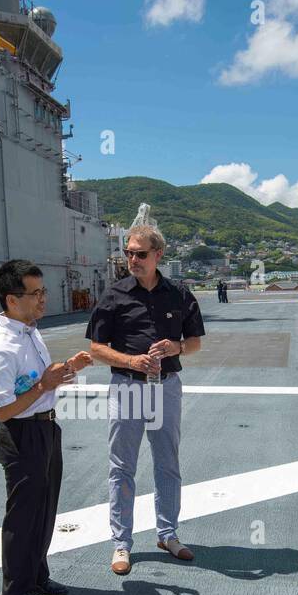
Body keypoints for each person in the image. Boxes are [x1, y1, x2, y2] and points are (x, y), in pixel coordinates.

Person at [86, 204, 205, 575]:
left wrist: (176, 348)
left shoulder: (179, 294)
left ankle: (168, 534)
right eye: (128, 253)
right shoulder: (114, 295)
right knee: (122, 467)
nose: (132, 259)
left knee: (168, 463)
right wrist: (130, 361)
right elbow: (95, 348)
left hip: (166, 387)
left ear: (159, 255)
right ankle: (121, 544)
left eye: (139, 254)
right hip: (128, 387)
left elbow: (196, 341)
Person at [0, 260, 92, 595]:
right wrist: (45, 384)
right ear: (12, 300)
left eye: (43, 291)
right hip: (21, 432)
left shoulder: (30, 332)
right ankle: (15, 589)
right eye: (35, 293)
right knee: (23, 514)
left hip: (45, 427)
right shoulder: (1, 348)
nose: (43, 299)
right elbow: (2, 409)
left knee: (44, 509)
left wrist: (67, 369)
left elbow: (37, 383)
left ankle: (37, 575)